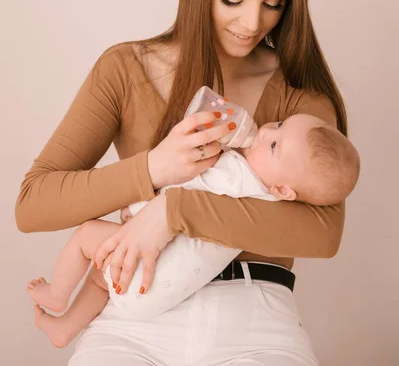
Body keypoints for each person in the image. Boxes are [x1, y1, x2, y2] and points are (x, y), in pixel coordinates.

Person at [16, 0, 354, 365]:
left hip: (255, 315)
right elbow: (32, 205)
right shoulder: (124, 70)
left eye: (273, 5)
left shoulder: (298, 102)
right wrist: (154, 168)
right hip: (134, 315)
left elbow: (323, 234)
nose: (252, 23)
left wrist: (175, 211)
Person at [25, 113, 360, 347]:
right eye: (280, 125)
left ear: (284, 189)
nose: (267, 132)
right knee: (103, 277)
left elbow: (184, 190)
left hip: (148, 273)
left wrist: (137, 208)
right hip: (151, 293)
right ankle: (65, 328)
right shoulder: (265, 204)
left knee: (87, 236)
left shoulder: (235, 174)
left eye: (275, 146)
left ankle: (57, 295)